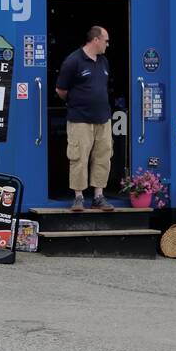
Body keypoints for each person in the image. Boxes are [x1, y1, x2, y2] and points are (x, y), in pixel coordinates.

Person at [56, 26, 114, 212]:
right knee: (78, 157)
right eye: (105, 40)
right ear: (95, 40)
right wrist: (77, 102)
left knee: (103, 157)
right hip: (80, 119)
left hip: (103, 119)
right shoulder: (73, 61)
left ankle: (98, 196)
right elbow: (61, 90)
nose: (107, 44)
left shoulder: (104, 61)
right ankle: (79, 197)